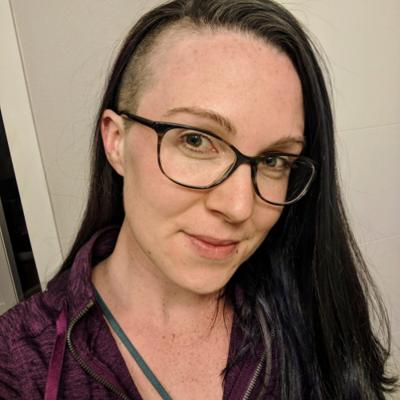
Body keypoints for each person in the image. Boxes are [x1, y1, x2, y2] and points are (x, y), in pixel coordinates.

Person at [0, 0, 397, 399]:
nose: (239, 207)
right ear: (116, 140)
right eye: (196, 140)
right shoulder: (18, 366)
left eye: (273, 160)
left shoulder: (314, 314)